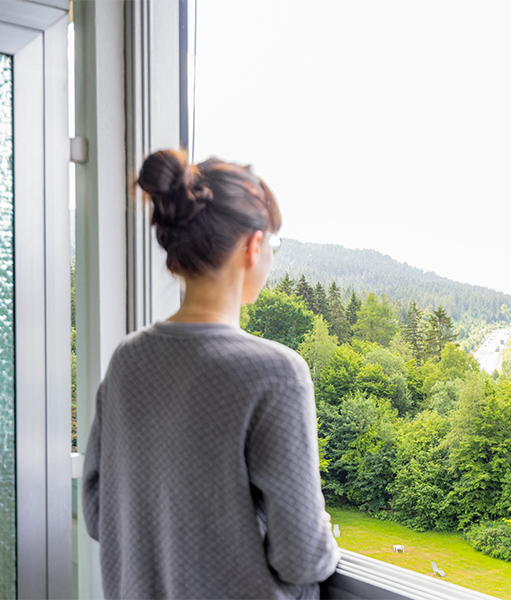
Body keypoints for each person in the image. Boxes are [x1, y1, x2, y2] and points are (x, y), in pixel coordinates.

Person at [82, 149, 340, 599]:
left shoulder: (128, 360)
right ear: (252, 245)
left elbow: (98, 511)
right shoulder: (275, 374)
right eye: (272, 246)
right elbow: (303, 556)